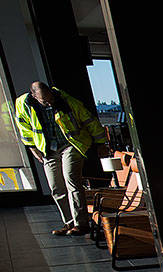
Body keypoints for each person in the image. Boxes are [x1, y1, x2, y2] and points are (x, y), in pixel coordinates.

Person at [16, 81, 107, 236]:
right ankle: (69, 223)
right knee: (56, 187)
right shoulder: (24, 105)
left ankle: (81, 224)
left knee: (71, 180)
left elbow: (89, 120)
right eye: (45, 101)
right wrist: (32, 148)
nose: (49, 103)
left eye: (50, 98)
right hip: (48, 150)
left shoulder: (66, 101)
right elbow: (24, 128)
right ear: (33, 96)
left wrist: (101, 142)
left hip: (71, 145)